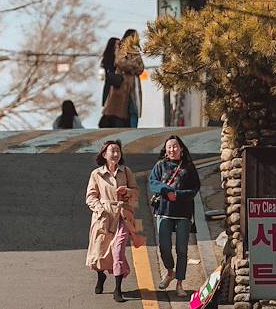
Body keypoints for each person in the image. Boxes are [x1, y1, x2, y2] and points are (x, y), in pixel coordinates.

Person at [85, 140, 146, 303]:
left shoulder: (126, 171)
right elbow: (90, 197)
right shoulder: (96, 174)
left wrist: (127, 191)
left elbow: (136, 192)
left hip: (122, 215)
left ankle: (117, 289)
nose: (116, 154)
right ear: (104, 155)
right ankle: (101, 277)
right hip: (103, 217)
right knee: (99, 251)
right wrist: (100, 210)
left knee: (118, 251)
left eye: (118, 151)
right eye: (112, 151)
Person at [148, 135, 201, 298]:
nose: (172, 149)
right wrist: (166, 190)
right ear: (166, 150)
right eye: (169, 147)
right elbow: (152, 182)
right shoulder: (160, 165)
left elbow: (194, 189)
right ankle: (170, 271)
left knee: (181, 250)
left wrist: (176, 195)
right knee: (164, 247)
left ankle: (179, 282)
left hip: (183, 214)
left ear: (181, 149)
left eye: (175, 146)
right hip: (164, 212)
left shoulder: (189, 167)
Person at [115, 29, 145, 128]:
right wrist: (134, 66)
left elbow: (141, 68)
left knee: (134, 108)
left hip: (135, 82)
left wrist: (132, 67)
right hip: (124, 83)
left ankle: (134, 128)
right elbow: (120, 62)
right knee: (124, 108)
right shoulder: (121, 48)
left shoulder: (136, 50)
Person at [98, 37, 127, 128]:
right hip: (112, 88)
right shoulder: (112, 59)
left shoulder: (121, 57)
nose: (119, 47)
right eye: (117, 45)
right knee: (111, 112)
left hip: (116, 89)